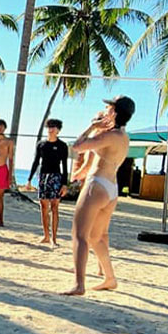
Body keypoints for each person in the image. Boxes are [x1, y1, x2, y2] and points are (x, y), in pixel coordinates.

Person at [63, 95, 135, 295]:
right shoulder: (123, 137)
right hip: (111, 189)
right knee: (96, 237)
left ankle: (79, 285)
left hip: (97, 185)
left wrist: (91, 128)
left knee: (80, 235)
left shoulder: (108, 136)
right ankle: (110, 278)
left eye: (109, 108)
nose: (105, 110)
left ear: (114, 112)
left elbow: (77, 146)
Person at [26, 118, 69, 246]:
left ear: (58, 130)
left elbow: (65, 166)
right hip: (43, 177)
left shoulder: (62, 146)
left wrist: (64, 184)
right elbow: (36, 162)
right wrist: (29, 179)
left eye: (54, 127)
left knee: (55, 207)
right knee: (44, 207)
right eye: (49, 127)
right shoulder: (41, 144)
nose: (51, 129)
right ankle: (46, 236)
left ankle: (54, 239)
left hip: (56, 177)